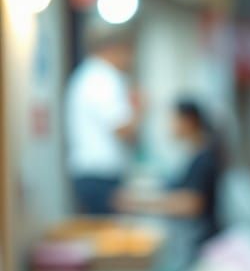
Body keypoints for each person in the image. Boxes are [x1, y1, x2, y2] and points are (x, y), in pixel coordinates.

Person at [114, 99, 223, 253]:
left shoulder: (204, 158)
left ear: (189, 121)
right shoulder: (194, 155)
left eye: (174, 119)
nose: (170, 125)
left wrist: (140, 204)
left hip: (201, 242)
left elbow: (192, 204)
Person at [65, 21, 140, 215]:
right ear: (114, 49)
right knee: (110, 238)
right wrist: (139, 109)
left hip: (87, 173)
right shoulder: (105, 78)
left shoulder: (84, 75)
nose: (129, 59)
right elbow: (122, 130)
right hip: (101, 175)